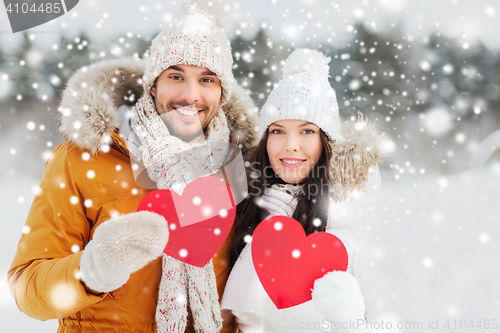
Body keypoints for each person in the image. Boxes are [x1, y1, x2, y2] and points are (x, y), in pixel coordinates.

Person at [7, 0, 256, 332]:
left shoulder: (237, 164)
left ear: (221, 93)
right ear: (152, 85)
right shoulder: (82, 158)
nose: (190, 94)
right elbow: (27, 288)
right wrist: (91, 272)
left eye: (207, 79)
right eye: (176, 76)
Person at [221, 49, 388, 332]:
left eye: (307, 131)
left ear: (327, 141)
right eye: (277, 131)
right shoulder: (246, 208)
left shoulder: (356, 220)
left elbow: (391, 317)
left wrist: (350, 324)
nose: (290, 145)